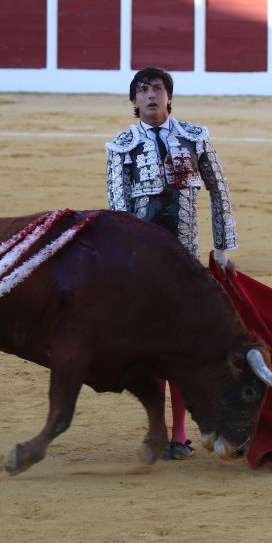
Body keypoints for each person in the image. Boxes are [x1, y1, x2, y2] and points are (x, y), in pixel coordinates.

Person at [106, 66, 237, 460]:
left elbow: (219, 191)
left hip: (185, 264)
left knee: (183, 348)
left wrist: (223, 246)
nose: (150, 96)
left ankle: (180, 435)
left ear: (169, 96)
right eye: (142, 90)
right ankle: (161, 431)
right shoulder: (120, 146)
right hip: (144, 268)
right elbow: (117, 209)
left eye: (157, 89)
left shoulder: (196, 138)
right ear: (133, 101)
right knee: (153, 351)